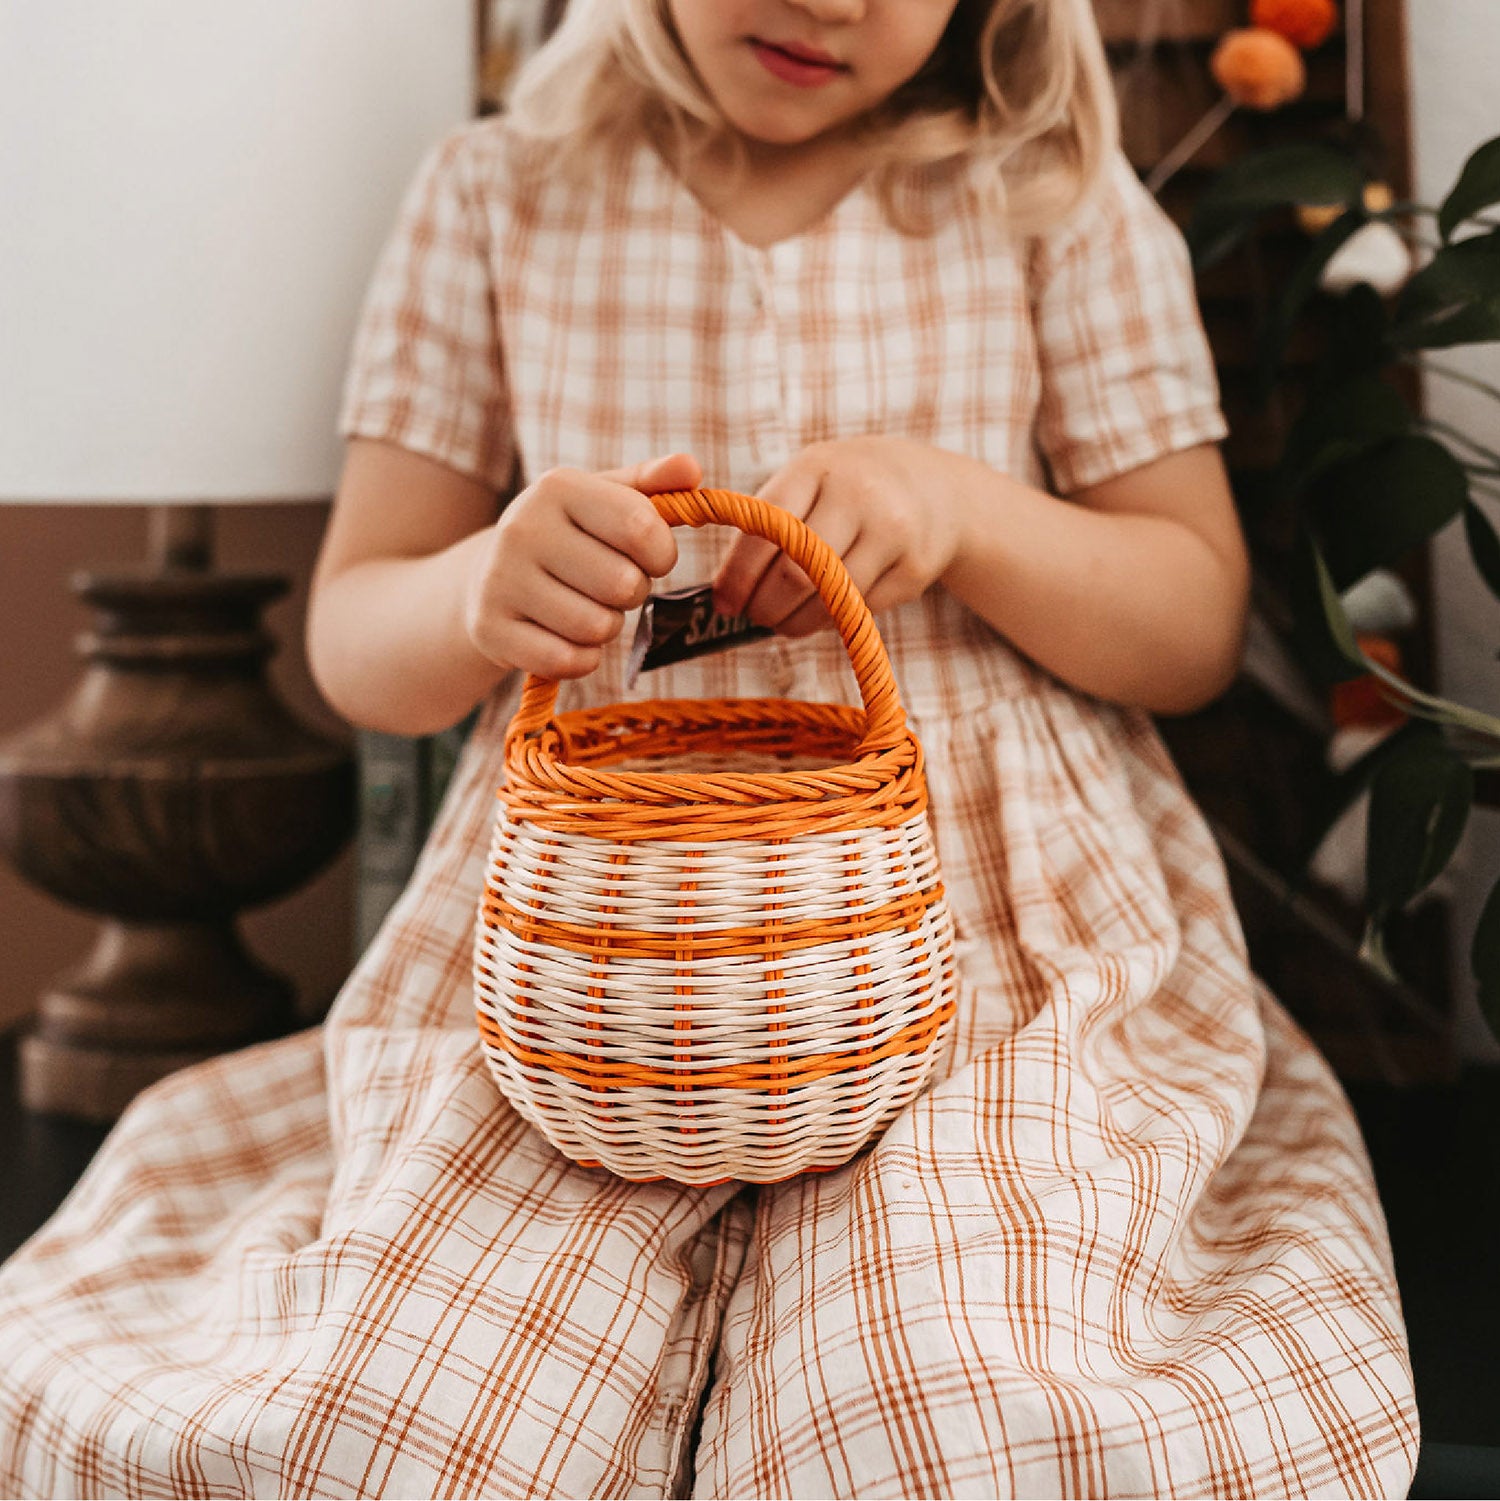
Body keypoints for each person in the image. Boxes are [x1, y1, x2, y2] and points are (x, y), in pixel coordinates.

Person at [0, 0, 1419, 1496]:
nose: (836, 3)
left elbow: (1190, 622)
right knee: (389, 1419)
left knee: (958, 1408)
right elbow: (359, 641)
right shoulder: (501, 192)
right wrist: (485, 589)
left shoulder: (1045, 190)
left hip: (978, 937)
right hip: (579, 952)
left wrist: (962, 511)